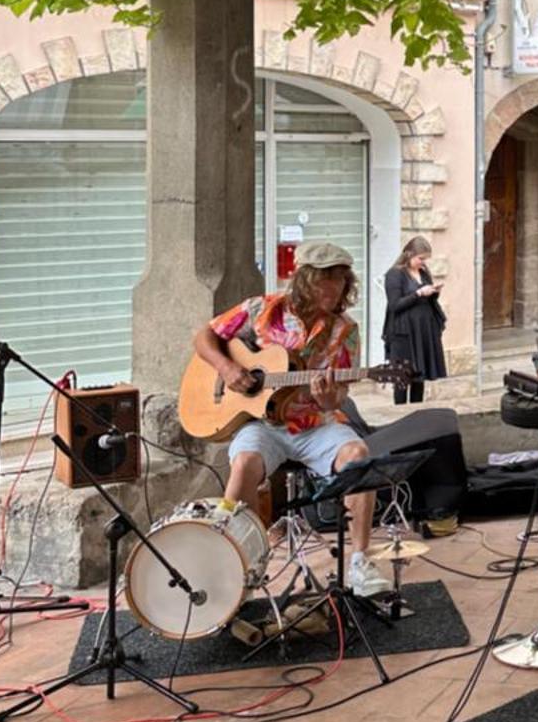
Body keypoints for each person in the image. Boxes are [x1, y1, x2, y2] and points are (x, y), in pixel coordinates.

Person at [191, 240, 385, 598]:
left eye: (341, 280)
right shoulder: (262, 310)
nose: (335, 288)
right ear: (305, 280)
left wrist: (329, 397)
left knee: (358, 456)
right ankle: (236, 568)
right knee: (245, 464)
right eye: (326, 280)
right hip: (262, 424)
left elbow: (337, 396)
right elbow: (204, 337)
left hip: (316, 425)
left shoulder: (345, 330)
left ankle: (360, 560)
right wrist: (228, 367)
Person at [383, 236, 447, 405]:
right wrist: (418, 293)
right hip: (403, 333)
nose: (423, 262)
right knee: (402, 378)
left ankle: (417, 414)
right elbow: (395, 305)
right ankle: (400, 415)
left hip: (423, 331)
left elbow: (429, 299)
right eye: (420, 258)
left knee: (419, 377)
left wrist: (433, 292)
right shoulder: (394, 274)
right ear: (409, 255)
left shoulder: (424, 273)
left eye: (425, 259)